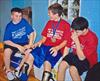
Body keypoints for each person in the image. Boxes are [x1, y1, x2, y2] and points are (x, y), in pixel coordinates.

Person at [29, 3, 70, 81]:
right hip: (45, 46)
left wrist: (57, 48)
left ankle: (46, 78)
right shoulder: (49, 23)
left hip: (56, 48)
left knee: (47, 62)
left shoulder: (66, 25)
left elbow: (66, 41)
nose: (48, 15)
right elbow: (44, 38)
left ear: (56, 14)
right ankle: (23, 77)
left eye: (49, 13)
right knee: (30, 55)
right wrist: (38, 43)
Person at [57, 17, 98, 81]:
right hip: (74, 55)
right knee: (61, 65)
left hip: (87, 60)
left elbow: (81, 58)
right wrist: (64, 59)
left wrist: (76, 41)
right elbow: (67, 47)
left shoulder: (92, 38)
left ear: (84, 30)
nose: (74, 33)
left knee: (72, 69)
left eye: (77, 32)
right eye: (74, 30)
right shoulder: (74, 31)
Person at [3, 7, 35, 81]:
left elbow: (32, 32)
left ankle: (18, 69)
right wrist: (18, 46)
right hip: (12, 43)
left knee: (29, 51)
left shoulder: (23, 22)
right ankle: (8, 70)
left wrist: (30, 44)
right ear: (12, 16)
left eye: (20, 16)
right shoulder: (9, 26)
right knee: (6, 51)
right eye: (16, 16)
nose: (19, 18)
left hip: (23, 42)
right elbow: (6, 41)